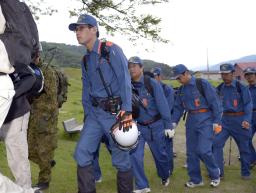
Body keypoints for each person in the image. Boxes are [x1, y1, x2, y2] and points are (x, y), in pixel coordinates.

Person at [68, 14, 133, 193]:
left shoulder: (110, 50)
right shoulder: (86, 60)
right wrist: (88, 115)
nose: (77, 32)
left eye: (81, 28)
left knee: (121, 160)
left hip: (115, 114)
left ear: (94, 29)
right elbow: (86, 90)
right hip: (94, 116)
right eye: (76, 29)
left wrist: (127, 111)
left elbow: (124, 80)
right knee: (82, 153)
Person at [128, 57, 174, 193]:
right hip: (138, 126)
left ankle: (165, 175)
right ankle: (142, 185)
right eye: (130, 66)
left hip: (155, 126)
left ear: (141, 68)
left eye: (135, 66)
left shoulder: (151, 83)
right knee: (134, 155)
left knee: (160, 156)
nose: (132, 69)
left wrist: (168, 126)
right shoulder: (127, 85)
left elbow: (163, 105)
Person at [172, 64, 222, 188]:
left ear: (186, 73)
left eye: (179, 78)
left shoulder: (202, 84)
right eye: (177, 79)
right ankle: (195, 179)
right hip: (191, 121)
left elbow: (215, 103)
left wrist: (217, 121)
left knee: (204, 150)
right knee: (191, 152)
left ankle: (215, 174)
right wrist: (173, 122)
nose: (178, 80)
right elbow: (178, 108)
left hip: (206, 119)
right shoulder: (182, 90)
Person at [27, 44, 59, 191]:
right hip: (34, 116)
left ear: (37, 54)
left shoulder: (47, 71)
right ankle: (47, 163)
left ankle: (44, 181)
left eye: (33, 54)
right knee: (29, 150)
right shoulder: (30, 69)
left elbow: (51, 96)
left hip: (46, 118)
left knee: (44, 151)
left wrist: (36, 96)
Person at [213, 63, 252, 180]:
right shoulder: (219, 88)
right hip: (224, 121)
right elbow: (215, 105)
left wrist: (246, 120)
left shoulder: (242, 87)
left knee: (244, 147)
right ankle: (219, 172)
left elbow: (248, 104)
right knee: (216, 144)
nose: (224, 76)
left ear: (233, 73)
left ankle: (245, 173)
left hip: (239, 121)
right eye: (222, 74)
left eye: (227, 74)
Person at [152, 67, 175, 172]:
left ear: (160, 77)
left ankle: (169, 168)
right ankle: (163, 169)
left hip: (164, 121)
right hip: (153, 122)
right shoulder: (149, 88)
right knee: (158, 147)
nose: (153, 79)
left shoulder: (167, 89)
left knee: (167, 146)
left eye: (155, 76)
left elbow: (168, 107)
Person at [243, 67, 256, 169]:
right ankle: (253, 159)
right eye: (247, 75)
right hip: (249, 116)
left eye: (251, 74)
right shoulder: (245, 89)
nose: (249, 76)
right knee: (246, 138)